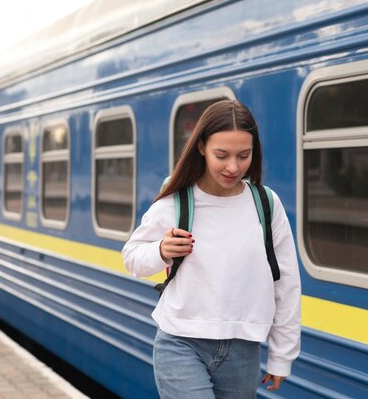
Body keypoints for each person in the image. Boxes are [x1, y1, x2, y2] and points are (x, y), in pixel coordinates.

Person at [122, 100, 301, 399]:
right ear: (202, 147)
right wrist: (161, 250)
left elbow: (285, 283)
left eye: (244, 155)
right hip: (181, 342)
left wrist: (282, 354)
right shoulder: (176, 201)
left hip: (242, 348)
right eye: (222, 155)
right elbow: (132, 259)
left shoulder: (266, 204)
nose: (234, 167)